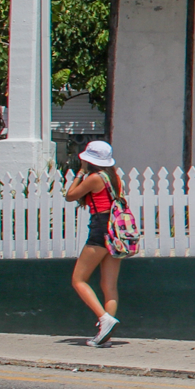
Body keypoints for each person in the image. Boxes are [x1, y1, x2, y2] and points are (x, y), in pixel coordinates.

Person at [64, 140, 122, 347]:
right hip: (115, 231)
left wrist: (79, 174)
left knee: (78, 279)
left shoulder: (94, 178)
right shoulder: (114, 178)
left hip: (99, 228)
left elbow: (70, 196)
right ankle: (104, 334)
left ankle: (104, 319)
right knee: (109, 286)